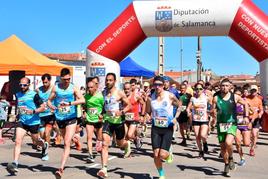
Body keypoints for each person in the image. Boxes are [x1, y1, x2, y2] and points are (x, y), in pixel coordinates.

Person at [47, 68, 85, 179]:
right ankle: (76, 140)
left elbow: (82, 100)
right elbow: (49, 100)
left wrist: (70, 103)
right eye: (65, 79)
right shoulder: (56, 87)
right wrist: (51, 106)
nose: (67, 81)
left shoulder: (74, 87)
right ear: (61, 78)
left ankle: (61, 168)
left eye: (69, 79)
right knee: (66, 139)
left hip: (71, 117)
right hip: (60, 118)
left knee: (66, 143)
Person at [6, 77, 48, 174]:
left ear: (29, 85)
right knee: (17, 141)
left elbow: (43, 107)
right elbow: (19, 106)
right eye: (20, 85)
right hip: (22, 121)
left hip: (33, 122)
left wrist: (33, 111)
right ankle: (15, 163)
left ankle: (44, 145)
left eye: (24, 85)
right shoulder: (18, 94)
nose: (22, 86)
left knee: (36, 142)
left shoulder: (34, 95)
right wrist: (17, 114)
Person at [97, 73, 131, 178]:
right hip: (108, 121)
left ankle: (126, 145)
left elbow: (129, 105)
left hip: (118, 122)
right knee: (105, 144)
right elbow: (103, 106)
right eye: (107, 80)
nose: (108, 82)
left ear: (114, 81)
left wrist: (122, 112)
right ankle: (104, 168)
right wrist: (101, 114)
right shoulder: (103, 93)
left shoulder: (119, 93)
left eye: (110, 80)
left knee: (119, 144)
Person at [212, 78, 249, 176]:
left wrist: (246, 116)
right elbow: (213, 111)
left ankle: (231, 157)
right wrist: (213, 116)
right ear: (220, 87)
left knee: (229, 142)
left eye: (226, 85)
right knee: (223, 148)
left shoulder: (235, 97)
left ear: (230, 87)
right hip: (220, 125)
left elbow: (245, 104)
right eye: (222, 86)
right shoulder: (216, 98)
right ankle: (226, 164)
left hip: (232, 123)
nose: (224, 87)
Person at [150, 76, 180, 179]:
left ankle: (169, 154)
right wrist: (145, 116)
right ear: (153, 85)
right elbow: (148, 110)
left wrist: (176, 118)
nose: (157, 87)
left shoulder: (170, 96)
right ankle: (161, 175)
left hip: (167, 127)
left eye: (160, 85)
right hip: (155, 127)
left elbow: (179, 105)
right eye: (155, 84)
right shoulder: (151, 96)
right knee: (156, 154)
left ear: (163, 85)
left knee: (162, 155)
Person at [187, 83, 211, 158]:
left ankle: (205, 143)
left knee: (203, 135)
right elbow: (188, 107)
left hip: (204, 119)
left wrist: (211, 112)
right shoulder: (193, 98)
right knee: (197, 136)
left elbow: (213, 105)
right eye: (197, 89)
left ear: (203, 89)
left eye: (200, 89)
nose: (198, 90)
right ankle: (200, 151)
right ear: (195, 90)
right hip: (196, 119)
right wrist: (188, 112)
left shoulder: (206, 97)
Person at [35, 73, 55, 160]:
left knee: (47, 133)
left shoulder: (54, 89)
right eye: (43, 82)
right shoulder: (39, 90)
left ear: (49, 81)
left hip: (50, 115)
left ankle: (45, 153)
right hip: (41, 115)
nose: (45, 84)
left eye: (46, 82)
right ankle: (44, 147)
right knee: (42, 135)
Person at [84, 79, 104, 162]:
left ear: (95, 87)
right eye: (88, 87)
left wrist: (102, 115)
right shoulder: (86, 96)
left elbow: (104, 107)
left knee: (99, 138)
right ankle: (90, 155)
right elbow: (84, 106)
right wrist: (84, 112)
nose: (90, 89)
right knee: (89, 137)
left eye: (91, 87)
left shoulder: (100, 96)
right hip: (89, 119)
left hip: (98, 120)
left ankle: (99, 146)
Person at [123, 80, 145, 149]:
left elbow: (143, 103)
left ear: (131, 89)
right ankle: (128, 151)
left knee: (129, 135)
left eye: (128, 89)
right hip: (125, 118)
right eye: (125, 89)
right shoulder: (122, 97)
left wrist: (142, 115)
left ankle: (136, 139)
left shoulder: (136, 96)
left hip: (134, 118)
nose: (126, 90)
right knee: (126, 135)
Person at [233, 87, 250, 166]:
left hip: (244, 124)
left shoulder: (245, 102)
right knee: (238, 142)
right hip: (235, 124)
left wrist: (248, 118)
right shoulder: (232, 102)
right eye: (236, 94)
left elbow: (251, 112)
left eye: (239, 94)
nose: (238, 96)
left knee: (246, 143)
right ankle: (242, 158)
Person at [246, 85, 263, 156]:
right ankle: (249, 142)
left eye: (255, 90)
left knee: (254, 134)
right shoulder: (246, 99)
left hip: (256, 119)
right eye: (252, 90)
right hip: (247, 119)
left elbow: (261, 110)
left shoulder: (259, 100)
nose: (253, 92)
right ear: (250, 91)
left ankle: (252, 149)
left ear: (257, 91)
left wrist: (260, 113)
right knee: (247, 138)